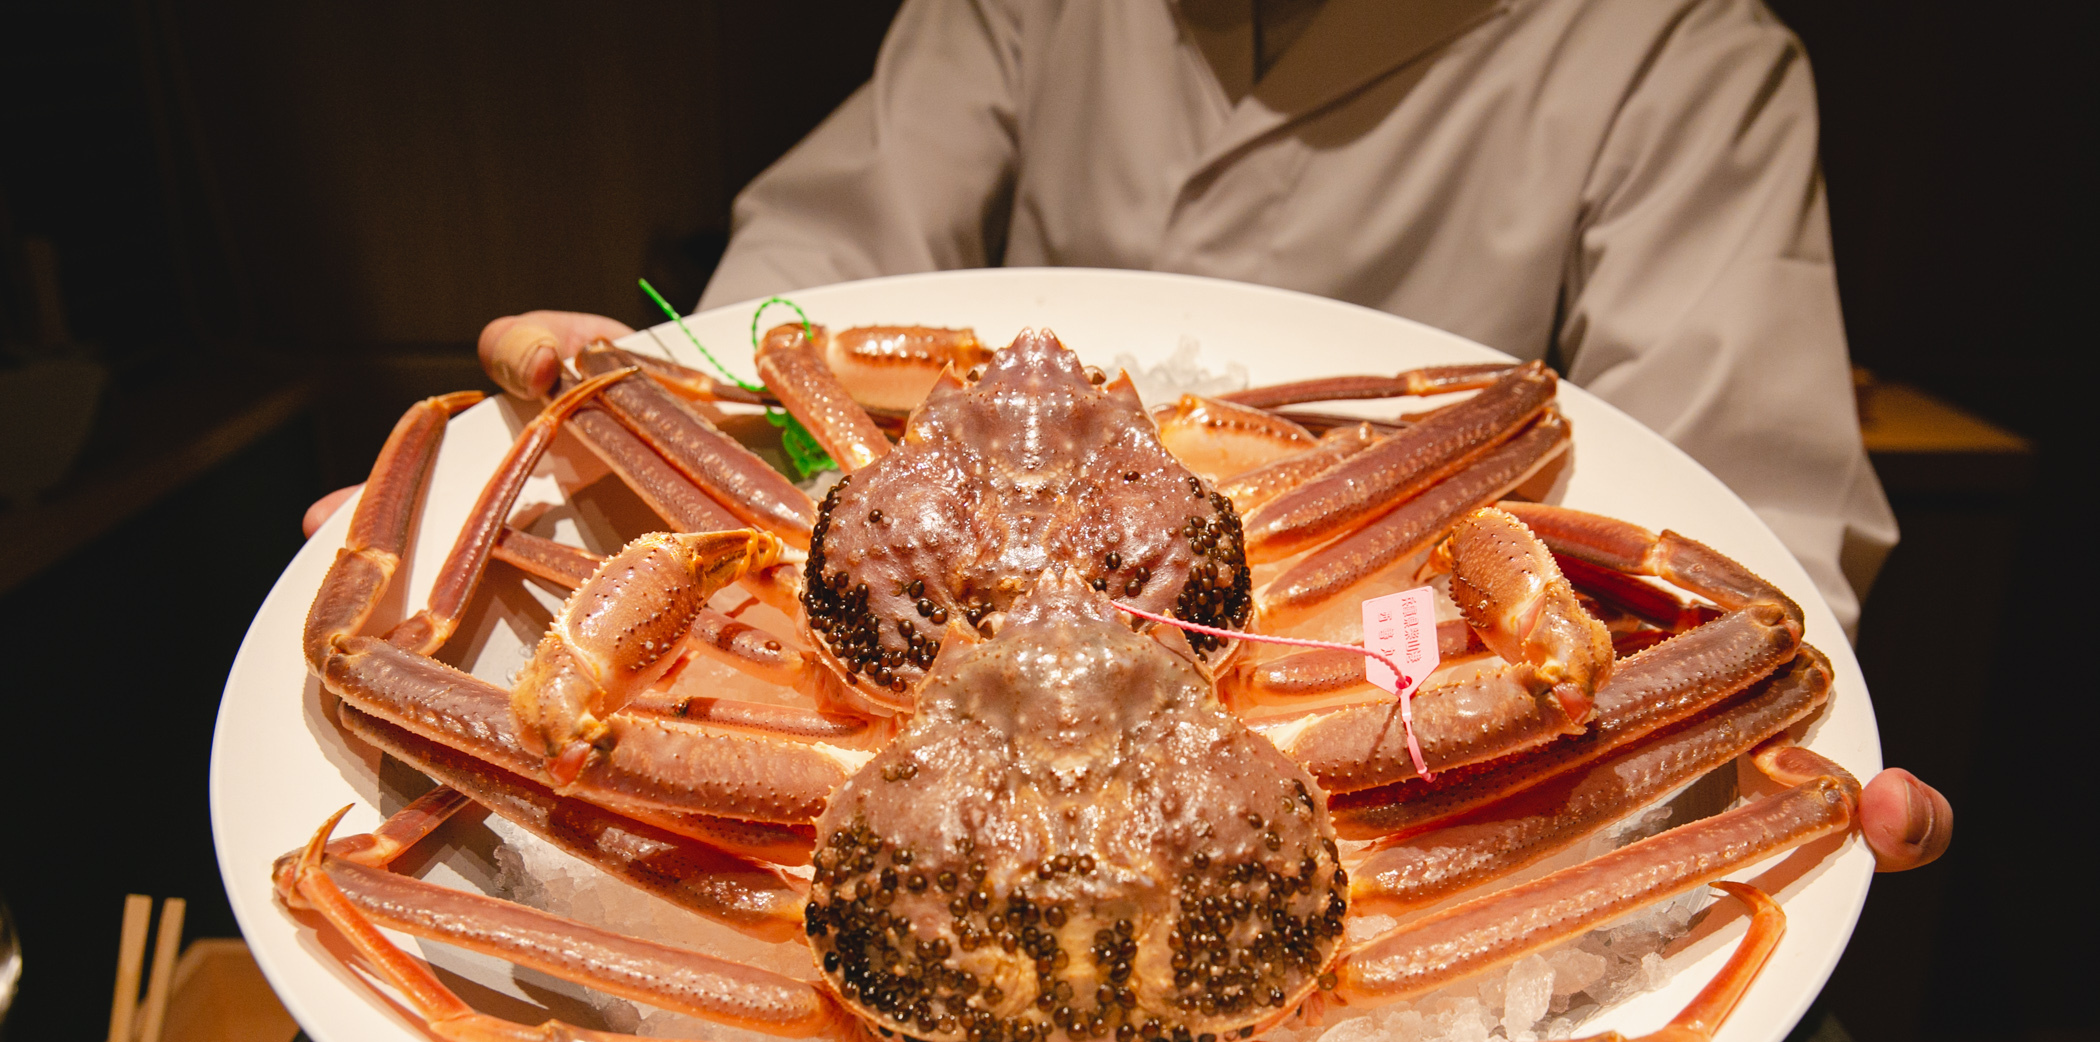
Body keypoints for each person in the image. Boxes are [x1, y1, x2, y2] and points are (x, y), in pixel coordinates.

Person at [304, 0, 1951, 872]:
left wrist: (1720, 792)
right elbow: (805, 291)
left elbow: (1743, 521)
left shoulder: (1673, 49)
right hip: (889, 705)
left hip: (1355, 686)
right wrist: (602, 416)